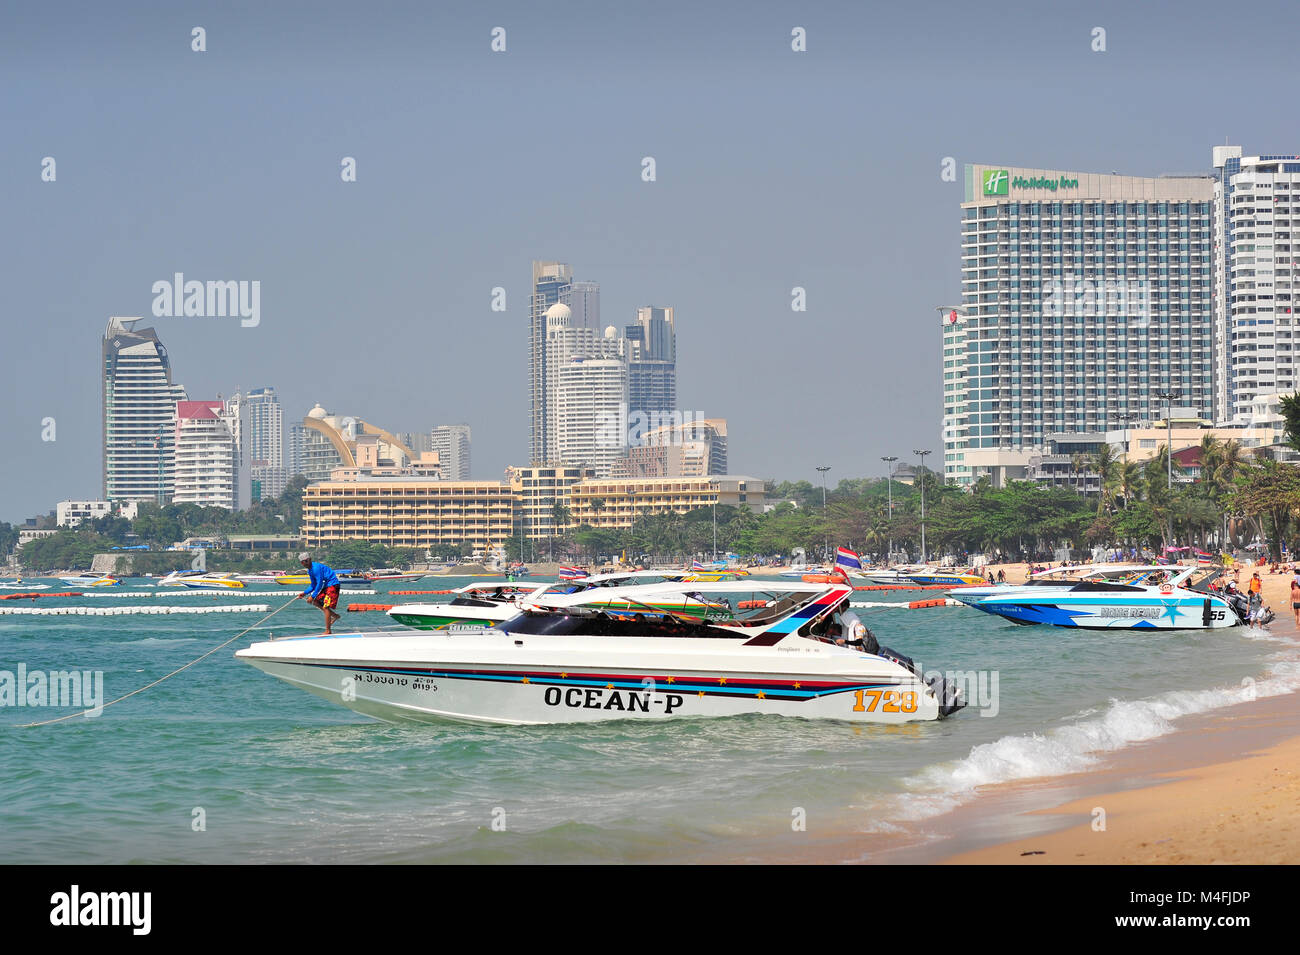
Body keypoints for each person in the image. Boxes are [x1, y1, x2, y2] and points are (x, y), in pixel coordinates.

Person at [296, 552, 342, 634]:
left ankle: (328, 630)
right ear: (302, 563)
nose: (307, 562)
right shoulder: (310, 571)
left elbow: (319, 583)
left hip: (333, 585)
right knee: (316, 602)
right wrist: (304, 593)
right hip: (327, 586)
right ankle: (335, 616)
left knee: (325, 607)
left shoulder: (316, 568)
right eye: (305, 561)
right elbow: (313, 585)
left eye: (308, 560)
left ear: (310, 560)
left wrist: (312, 596)